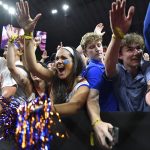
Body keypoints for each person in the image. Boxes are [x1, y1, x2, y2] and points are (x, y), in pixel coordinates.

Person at [15, 0, 89, 116]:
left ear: (74, 62)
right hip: (54, 130)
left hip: (74, 132)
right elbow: (32, 67)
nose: (58, 61)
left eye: (63, 58)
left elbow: (74, 106)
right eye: (57, 58)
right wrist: (28, 33)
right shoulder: (54, 78)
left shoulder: (82, 83)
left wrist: (45, 109)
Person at [104, 0, 150, 111]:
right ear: (120, 55)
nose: (136, 52)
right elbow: (109, 67)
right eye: (129, 49)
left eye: (138, 48)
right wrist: (117, 35)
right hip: (125, 125)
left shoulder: (146, 67)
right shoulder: (119, 72)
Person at [80, 31, 118, 149]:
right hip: (106, 117)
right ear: (85, 53)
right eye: (91, 47)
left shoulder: (101, 65)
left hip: (110, 115)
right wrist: (97, 122)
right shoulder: (94, 69)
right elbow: (92, 98)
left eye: (99, 45)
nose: (97, 49)